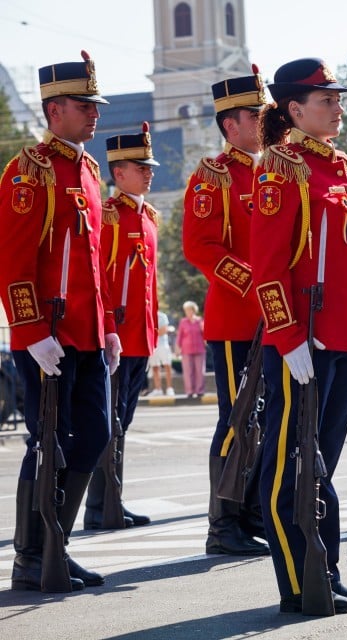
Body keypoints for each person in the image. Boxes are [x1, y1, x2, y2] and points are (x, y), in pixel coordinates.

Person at [251, 57, 347, 614]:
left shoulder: (342, 167)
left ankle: (326, 569)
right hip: (305, 338)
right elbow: (268, 264)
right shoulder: (280, 168)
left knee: (322, 459)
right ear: (295, 110)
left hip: (344, 335)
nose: (338, 106)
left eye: (337, 97)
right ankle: (298, 580)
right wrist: (287, 333)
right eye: (327, 99)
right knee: (289, 463)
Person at [0, 50, 117, 591]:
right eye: (83, 104)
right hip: (49, 333)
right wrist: (30, 332)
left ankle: (56, 545)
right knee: (49, 442)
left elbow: (94, 261)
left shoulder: (88, 170)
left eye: (95, 104)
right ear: (54, 109)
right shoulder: (30, 170)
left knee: (92, 437)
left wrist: (109, 326)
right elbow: (15, 260)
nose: (94, 113)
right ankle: (31, 554)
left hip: (88, 333)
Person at [182, 66, 269, 557]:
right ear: (230, 124)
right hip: (237, 320)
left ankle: (252, 511)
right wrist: (256, 285)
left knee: (268, 417)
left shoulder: (278, 169)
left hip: (277, 318)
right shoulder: (212, 176)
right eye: (255, 115)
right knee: (238, 419)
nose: (264, 121)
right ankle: (223, 523)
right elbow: (200, 246)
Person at [84, 122, 160, 530]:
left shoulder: (147, 216)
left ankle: (114, 499)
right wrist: (110, 327)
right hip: (118, 336)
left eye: (149, 166)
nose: (149, 172)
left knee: (123, 421)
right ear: (118, 173)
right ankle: (101, 506)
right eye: (139, 167)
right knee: (108, 422)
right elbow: (103, 279)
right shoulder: (111, 217)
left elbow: (150, 282)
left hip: (141, 336)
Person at [175, 301, 206, 397]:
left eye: (189, 310)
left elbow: (204, 334)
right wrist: (177, 348)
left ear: (193, 310)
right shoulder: (183, 322)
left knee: (200, 371)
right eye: (186, 310)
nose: (187, 312)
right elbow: (179, 336)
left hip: (199, 349)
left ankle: (200, 391)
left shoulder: (200, 320)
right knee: (188, 372)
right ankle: (189, 391)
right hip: (186, 350)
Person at [147, 310, 175, 396]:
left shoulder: (162, 316)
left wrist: (151, 332)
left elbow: (163, 330)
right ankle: (158, 389)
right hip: (152, 346)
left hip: (163, 345)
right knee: (155, 367)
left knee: (167, 366)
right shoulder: (148, 314)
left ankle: (170, 388)